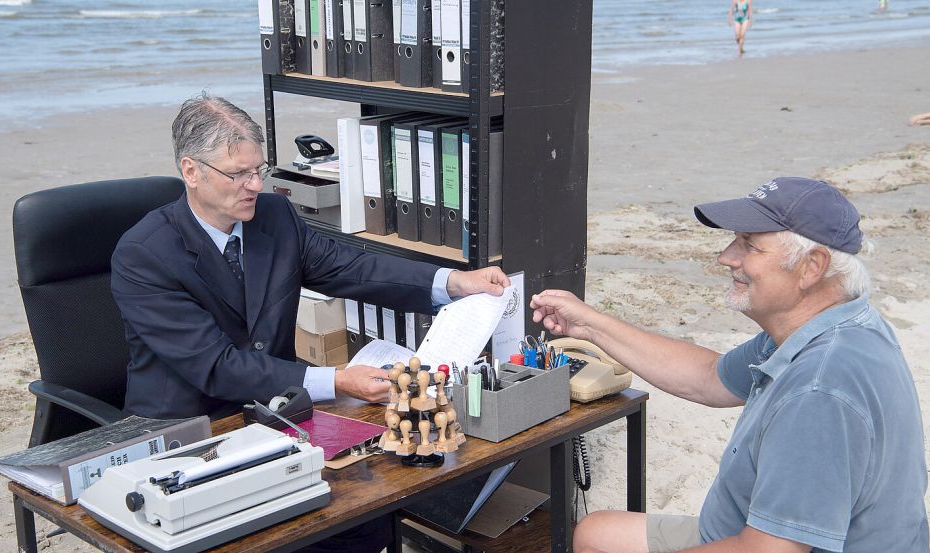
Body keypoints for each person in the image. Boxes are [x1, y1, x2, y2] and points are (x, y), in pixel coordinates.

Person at [111, 93, 509, 552]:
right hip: (190, 428)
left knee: (372, 513)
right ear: (191, 171)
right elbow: (218, 367)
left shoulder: (274, 216)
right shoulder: (144, 253)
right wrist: (339, 380)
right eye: (238, 174)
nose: (254, 186)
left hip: (275, 412)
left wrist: (454, 282)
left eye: (259, 170)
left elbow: (352, 269)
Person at [531, 177, 929, 553]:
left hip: (760, 543)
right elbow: (709, 378)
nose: (726, 258)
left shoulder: (819, 388)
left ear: (812, 266)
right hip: (742, 531)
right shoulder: (826, 323)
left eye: (749, 245)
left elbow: (769, 550)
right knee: (596, 535)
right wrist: (590, 325)